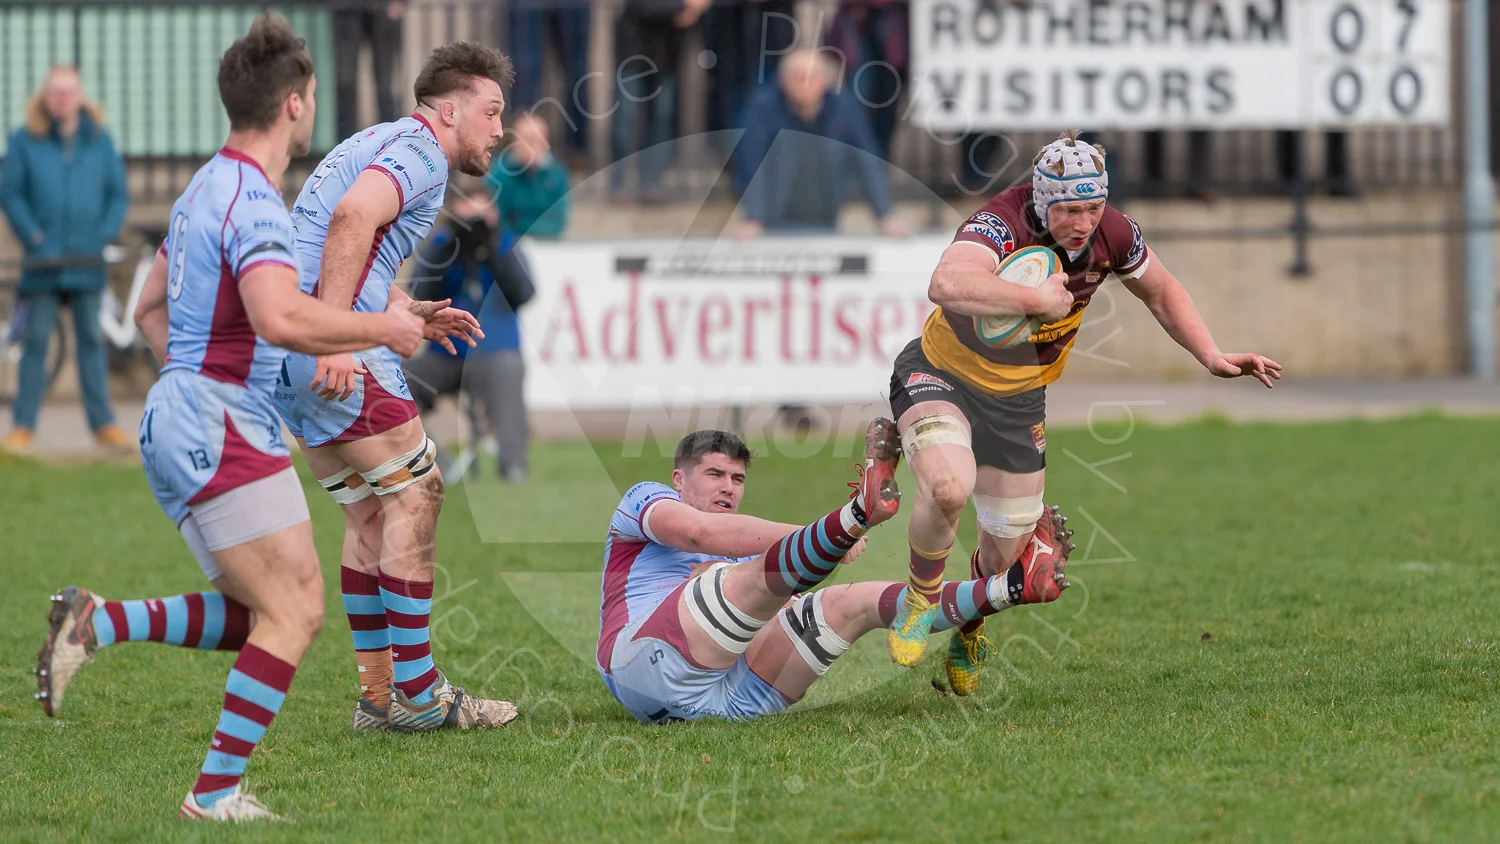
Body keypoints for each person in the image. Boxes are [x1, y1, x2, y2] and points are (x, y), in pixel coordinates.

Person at [31, 15, 428, 821]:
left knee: (262, 611)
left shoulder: (202, 186)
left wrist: (190, 379)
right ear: (294, 103)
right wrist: (382, 329)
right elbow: (280, 319)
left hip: (178, 415)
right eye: (313, 94)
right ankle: (212, 794)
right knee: (297, 612)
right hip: (218, 422)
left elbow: (149, 303)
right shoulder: (254, 201)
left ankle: (100, 621)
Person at [881, 130, 1282, 690]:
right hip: (940, 372)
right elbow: (945, 282)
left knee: (1002, 560)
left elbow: (1162, 292)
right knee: (948, 488)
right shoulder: (1002, 220)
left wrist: (1210, 355)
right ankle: (921, 599)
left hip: (1018, 398)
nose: (1084, 221)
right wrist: (1033, 299)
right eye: (1070, 209)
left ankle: (968, 625)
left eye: (1093, 206)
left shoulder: (1113, 232)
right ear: (1043, 201)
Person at [273, 42, 519, 733]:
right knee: (419, 492)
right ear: (449, 110)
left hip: (287, 347)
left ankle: (379, 699)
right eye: (490, 112)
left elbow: (336, 236)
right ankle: (419, 692)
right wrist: (349, 332)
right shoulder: (417, 154)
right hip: (325, 342)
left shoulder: (384, 141)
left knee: (374, 516)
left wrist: (404, 309)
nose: (498, 130)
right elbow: (352, 218)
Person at [598, 422, 1074, 724]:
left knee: (853, 602)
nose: (729, 487)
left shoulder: (743, 557)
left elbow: (783, 608)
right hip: (642, 671)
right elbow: (700, 533)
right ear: (679, 479)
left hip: (735, 704)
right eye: (715, 474)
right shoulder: (644, 500)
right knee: (746, 578)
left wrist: (803, 573)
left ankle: (1012, 586)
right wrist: (824, 535)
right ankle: (856, 513)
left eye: (738, 479)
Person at [0, 65, 130, 453]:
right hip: (43, 260)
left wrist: (103, 234)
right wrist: (34, 236)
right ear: (45, 96)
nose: (62, 99)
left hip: (87, 260)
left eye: (68, 91)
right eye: (55, 92)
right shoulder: (25, 142)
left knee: (91, 340)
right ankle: (23, 426)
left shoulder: (99, 141)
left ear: (79, 95)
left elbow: (117, 193)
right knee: (35, 341)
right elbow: (11, 193)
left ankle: (102, 423)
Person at [404, 187, 537, 484]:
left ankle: (513, 467)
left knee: (510, 370)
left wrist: (491, 246)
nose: (474, 226)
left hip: (496, 353)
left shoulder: (505, 244)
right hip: (447, 355)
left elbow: (525, 292)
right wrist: (452, 242)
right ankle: (436, 465)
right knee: (401, 381)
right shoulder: (442, 244)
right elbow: (419, 293)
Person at [732, 50, 906, 239]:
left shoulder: (844, 109)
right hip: (775, 216)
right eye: (797, 78)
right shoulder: (763, 109)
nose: (805, 85)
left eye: (812, 77)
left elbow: (867, 161)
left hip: (827, 212)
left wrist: (885, 215)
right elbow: (752, 163)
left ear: (824, 81)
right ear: (783, 82)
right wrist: (754, 217)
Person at [332, 0, 406, 142]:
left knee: (386, 85)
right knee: (345, 83)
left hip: (383, 8)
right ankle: (345, 146)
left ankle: (390, 141)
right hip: (346, 9)